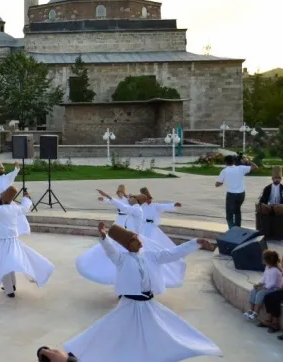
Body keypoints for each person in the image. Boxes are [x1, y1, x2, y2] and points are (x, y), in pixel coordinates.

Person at [64, 222, 221, 361]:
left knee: (164, 329)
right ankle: (81, 350)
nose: (140, 241)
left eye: (138, 238)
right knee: (109, 330)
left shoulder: (151, 256)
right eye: (135, 240)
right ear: (128, 245)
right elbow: (110, 250)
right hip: (130, 304)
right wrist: (104, 237)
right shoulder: (121, 259)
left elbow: (173, 253)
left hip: (147, 304)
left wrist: (194, 243)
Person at [216, 154, 259, 228]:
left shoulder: (224, 171)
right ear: (234, 161)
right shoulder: (241, 168)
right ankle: (238, 229)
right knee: (237, 211)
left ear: (225, 162)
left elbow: (217, 184)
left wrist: (219, 183)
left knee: (229, 214)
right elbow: (256, 168)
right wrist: (248, 161)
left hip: (231, 195)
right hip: (241, 194)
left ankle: (232, 230)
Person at [244, 249, 283, 321]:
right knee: (253, 291)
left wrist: (263, 288)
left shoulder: (275, 270)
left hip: (274, 288)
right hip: (267, 287)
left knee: (260, 293)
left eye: (264, 259)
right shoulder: (267, 267)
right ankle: (251, 310)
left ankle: (256, 312)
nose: (262, 260)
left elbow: (273, 283)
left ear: (268, 260)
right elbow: (264, 278)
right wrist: (259, 284)